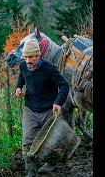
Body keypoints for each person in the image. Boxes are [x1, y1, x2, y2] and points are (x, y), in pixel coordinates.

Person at [15, 39, 69, 177]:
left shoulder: (49, 69)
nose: (28, 61)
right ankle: (31, 172)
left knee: (50, 141)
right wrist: (18, 88)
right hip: (30, 109)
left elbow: (64, 85)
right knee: (27, 141)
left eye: (32, 57)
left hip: (48, 109)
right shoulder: (23, 66)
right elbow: (22, 78)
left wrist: (58, 102)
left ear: (38, 55)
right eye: (26, 57)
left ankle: (51, 164)